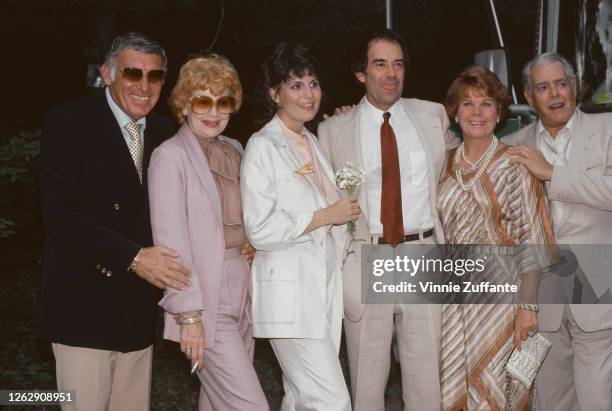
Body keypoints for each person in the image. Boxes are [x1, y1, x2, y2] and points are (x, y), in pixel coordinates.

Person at [39, 32, 191, 411]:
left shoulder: (165, 132)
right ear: (107, 73)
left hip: (137, 315)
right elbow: (60, 214)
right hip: (82, 310)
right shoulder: (68, 121)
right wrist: (135, 258)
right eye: (131, 73)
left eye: (154, 76)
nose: (143, 85)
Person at [318, 29, 457, 411]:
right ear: (360, 74)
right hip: (368, 257)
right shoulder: (333, 131)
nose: (391, 73)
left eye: (397, 64)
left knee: (427, 385)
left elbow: (461, 172)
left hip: (423, 251)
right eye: (380, 64)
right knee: (366, 387)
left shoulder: (433, 116)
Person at [241, 42, 359, 411]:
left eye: (313, 83)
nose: (308, 94)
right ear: (274, 94)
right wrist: (326, 216)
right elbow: (259, 229)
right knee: (333, 401)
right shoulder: (263, 146)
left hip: (323, 291)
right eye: (295, 86)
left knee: (300, 400)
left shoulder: (313, 141)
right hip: (289, 299)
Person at [148, 54, 269, 411]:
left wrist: (252, 242)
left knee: (217, 403)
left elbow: (249, 214)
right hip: (204, 298)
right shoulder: (170, 156)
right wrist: (188, 316)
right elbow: (171, 245)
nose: (213, 112)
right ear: (184, 105)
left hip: (242, 288)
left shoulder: (235, 150)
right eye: (203, 101)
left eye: (223, 102)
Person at [438, 65, 556, 410]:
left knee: (498, 392)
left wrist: (528, 307)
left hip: (502, 303)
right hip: (453, 303)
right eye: (467, 104)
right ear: (455, 113)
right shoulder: (443, 163)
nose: (477, 112)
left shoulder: (516, 162)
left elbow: (532, 238)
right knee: (455, 389)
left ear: (499, 112)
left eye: (486, 103)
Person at [507, 52, 612, 411]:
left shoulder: (608, 130)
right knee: (551, 402)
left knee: (596, 399)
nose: (554, 94)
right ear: (528, 96)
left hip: (598, 293)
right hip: (543, 300)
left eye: (561, 83)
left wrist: (553, 173)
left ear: (575, 86)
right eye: (543, 87)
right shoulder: (515, 145)